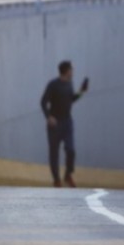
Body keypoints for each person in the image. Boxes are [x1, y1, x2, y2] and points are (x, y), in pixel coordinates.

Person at [40, 60, 89, 188]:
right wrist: (48, 117)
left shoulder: (69, 84)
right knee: (54, 153)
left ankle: (68, 175)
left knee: (71, 149)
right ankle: (56, 179)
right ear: (67, 71)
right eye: (71, 69)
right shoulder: (53, 85)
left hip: (67, 122)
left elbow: (71, 99)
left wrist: (81, 91)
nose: (73, 72)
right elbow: (43, 101)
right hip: (54, 124)